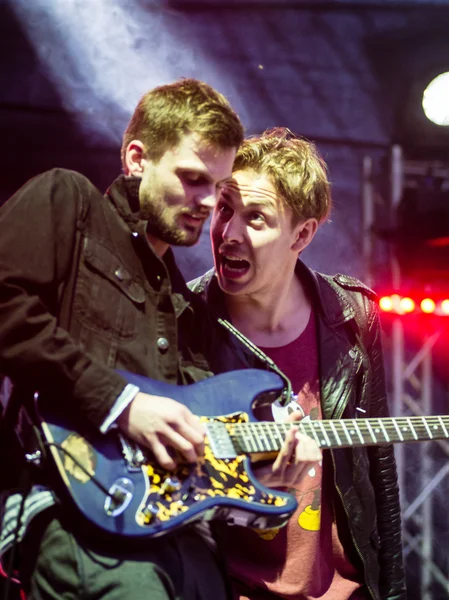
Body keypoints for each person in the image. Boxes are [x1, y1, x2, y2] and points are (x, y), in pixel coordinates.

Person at [0, 78, 245, 600]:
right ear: (137, 158)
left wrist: (266, 455)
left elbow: (198, 430)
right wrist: (120, 403)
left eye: (217, 188)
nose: (206, 202)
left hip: (183, 536)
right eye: (192, 178)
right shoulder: (69, 200)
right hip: (78, 515)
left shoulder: (188, 302)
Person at [189, 128, 406, 600]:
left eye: (256, 218)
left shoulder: (351, 315)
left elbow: (378, 474)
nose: (228, 233)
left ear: (302, 233)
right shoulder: (183, 320)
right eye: (224, 208)